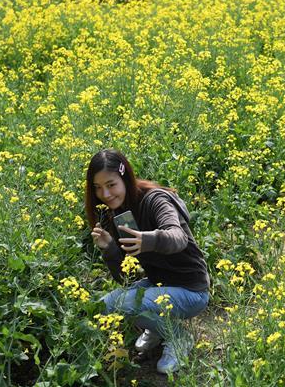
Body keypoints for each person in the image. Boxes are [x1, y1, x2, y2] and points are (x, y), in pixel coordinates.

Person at [84, 148, 210, 375]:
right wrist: (111, 250)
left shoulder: (155, 199)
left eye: (111, 184)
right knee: (104, 306)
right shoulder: (118, 212)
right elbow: (125, 278)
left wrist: (148, 240)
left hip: (192, 291)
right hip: (160, 285)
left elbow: (178, 236)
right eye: (97, 187)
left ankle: (178, 337)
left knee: (121, 304)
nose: (105, 193)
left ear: (125, 177)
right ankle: (159, 327)